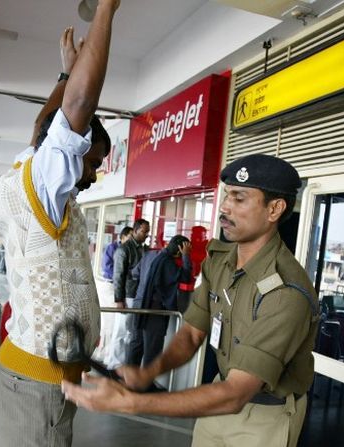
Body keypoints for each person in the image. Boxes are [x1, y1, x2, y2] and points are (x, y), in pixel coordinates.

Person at [62, 154, 319, 447]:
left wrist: (130, 402)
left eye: (239, 198)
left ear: (274, 209)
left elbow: (237, 394)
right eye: (226, 195)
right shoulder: (220, 261)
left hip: (263, 416)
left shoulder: (286, 292)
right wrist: (150, 372)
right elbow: (193, 331)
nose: (224, 207)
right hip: (218, 394)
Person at [0, 3, 119, 445]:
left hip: (32, 368)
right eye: (92, 162)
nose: (93, 174)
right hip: (39, 380)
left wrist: (65, 75)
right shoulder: (42, 184)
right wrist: (106, 9)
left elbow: (41, 126)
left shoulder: (24, 171)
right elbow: (79, 106)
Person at [133, 234, 192, 368]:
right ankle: (145, 386)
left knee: (145, 348)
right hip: (156, 311)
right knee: (153, 352)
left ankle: (140, 383)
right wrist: (186, 256)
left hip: (150, 308)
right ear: (180, 249)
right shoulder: (166, 262)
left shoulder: (160, 257)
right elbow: (185, 277)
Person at [106, 218, 150, 367]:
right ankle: (114, 364)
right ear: (135, 230)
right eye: (144, 231)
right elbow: (118, 275)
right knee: (121, 331)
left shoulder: (144, 249)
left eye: (148, 232)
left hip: (137, 295)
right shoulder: (123, 250)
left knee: (130, 333)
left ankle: (122, 364)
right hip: (127, 295)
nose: (146, 235)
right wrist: (119, 299)